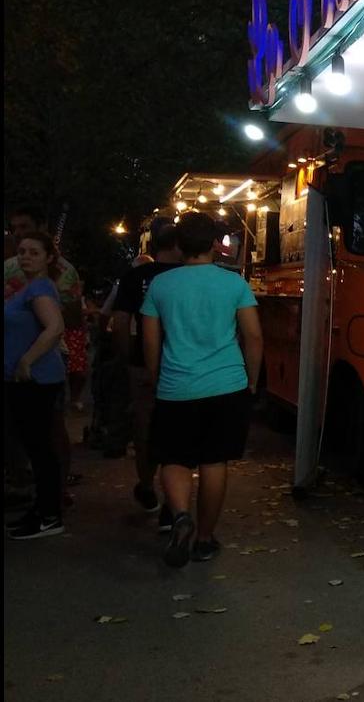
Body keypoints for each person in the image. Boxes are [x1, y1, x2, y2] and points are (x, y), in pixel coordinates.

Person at [141, 212, 262, 568]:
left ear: (178, 245)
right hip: (226, 385)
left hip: (177, 386)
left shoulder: (161, 285)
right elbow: (253, 336)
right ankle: (205, 538)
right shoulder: (235, 284)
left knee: (175, 458)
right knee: (214, 461)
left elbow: (150, 340)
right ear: (214, 245)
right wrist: (252, 380)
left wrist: (154, 376)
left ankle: (180, 516)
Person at [5, 205, 82, 506]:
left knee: (47, 428)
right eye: (15, 230)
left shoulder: (54, 277)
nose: (21, 239)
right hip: (15, 361)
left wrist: (27, 358)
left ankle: (53, 492)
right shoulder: (11, 267)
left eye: (25, 228)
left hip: (39, 362)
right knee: (18, 426)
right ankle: (26, 482)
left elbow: (61, 325)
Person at [112, 224, 181, 527]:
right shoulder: (187, 278)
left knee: (145, 429)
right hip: (182, 363)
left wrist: (127, 357)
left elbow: (121, 320)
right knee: (177, 430)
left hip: (143, 363)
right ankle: (173, 501)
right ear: (178, 245)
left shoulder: (134, 278)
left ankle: (147, 485)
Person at [4, 232, 67, 539]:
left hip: (35, 379)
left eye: (33, 252)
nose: (25, 256)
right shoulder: (29, 288)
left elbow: (55, 327)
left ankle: (49, 514)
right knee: (35, 445)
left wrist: (27, 360)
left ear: (48, 258)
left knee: (39, 446)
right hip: (26, 379)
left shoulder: (40, 288)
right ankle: (42, 509)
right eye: (22, 252)